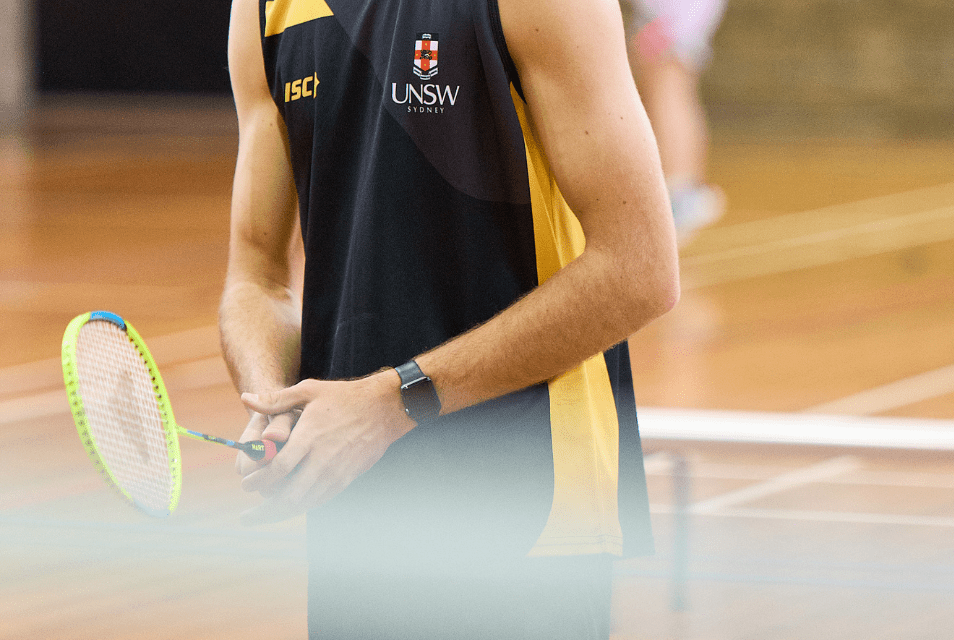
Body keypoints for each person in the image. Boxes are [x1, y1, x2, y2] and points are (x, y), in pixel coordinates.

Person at [219, 0, 679, 637]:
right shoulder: (267, 9)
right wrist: (274, 401)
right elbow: (255, 276)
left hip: (525, 504)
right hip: (354, 501)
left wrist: (393, 401)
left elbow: (639, 268)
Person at [620, 0, 729, 245]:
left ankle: (680, 192)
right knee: (670, 92)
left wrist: (672, 25)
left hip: (670, 18)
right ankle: (682, 191)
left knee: (668, 91)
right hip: (671, 18)